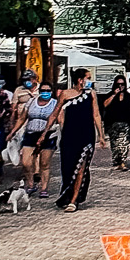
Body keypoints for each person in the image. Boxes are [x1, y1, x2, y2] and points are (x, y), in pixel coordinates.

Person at [53, 69, 98, 210]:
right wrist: (44, 133)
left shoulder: (91, 94)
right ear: (80, 79)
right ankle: (67, 195)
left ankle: (74, 200)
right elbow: (56, 113)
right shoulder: (65, 94)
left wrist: (101, 136)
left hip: (86, 134)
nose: (89, 80)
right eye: (88, 78)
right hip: (69, 135)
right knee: (68, 167)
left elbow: (96, 114)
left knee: (81, 167)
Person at [19, 79, 58, 194]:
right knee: (26, 162)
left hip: (48, 135)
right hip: (31, 133)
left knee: (44, 164)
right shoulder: (31, 102)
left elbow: (61, 120)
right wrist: (12, 132)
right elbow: (22, 118)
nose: (45, 92)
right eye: (43, 90)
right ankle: (30, 184)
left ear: (51, 92)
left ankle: (44, 188)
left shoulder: (55, 104)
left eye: (48, 90)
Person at [98, 74, 130, 170]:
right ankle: (116, 161)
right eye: (118, 84)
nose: (120, 86)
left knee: (123, 143)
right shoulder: (111, 94)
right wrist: (114, 94)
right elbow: (105, 105)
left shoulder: (128, 97)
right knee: (115, 144)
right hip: (112, 123)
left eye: (122, 84)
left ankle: (123, 162)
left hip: (124, 123)